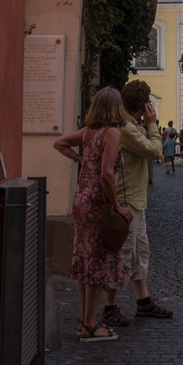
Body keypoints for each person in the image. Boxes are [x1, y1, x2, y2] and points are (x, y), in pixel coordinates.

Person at [54, 87, 133, 343]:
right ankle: (91, 324)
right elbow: (107, 173)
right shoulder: (111, 133)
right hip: (97, 203)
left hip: (81, 199)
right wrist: (118, 206)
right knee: (97, 262)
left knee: (84, 259)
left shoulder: (88, 133)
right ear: (116, 108)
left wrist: (80, 159)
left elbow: (59, 142)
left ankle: (85, 321)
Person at [102, 80, 173, 324]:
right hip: (127, 200)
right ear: (143, 106)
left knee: (140, 251)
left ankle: (143, 301)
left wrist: (145, 126)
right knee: (121, 253)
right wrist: (152, 125)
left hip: (137, 200)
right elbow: (156, 152)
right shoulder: (127, 130)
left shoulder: (132, 128)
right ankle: (110, 308)